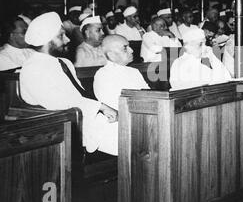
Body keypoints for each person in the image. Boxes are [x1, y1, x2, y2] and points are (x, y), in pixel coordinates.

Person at [20, 12, 118, 155]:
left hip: (84, 117)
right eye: (61, 36)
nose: (67, 40)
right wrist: (101, 107)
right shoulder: (33, 68)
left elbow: (80, 94)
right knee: (130, 136)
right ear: (47, 40)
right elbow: (58, 102)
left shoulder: (63, 62)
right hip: (61, 125)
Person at [93, 35, 150, 110]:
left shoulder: (134, 71)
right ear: (112, 55)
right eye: (125, 48)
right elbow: (114, 105)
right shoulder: (103, 75)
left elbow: (149, 95)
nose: (131, 50)